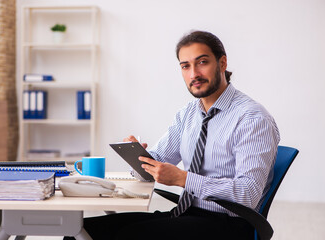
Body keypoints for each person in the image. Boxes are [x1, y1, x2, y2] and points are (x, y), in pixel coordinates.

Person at [64, 30, 280, 240]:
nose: (194, 74)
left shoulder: (252, 118)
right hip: (188, 214)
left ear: (222, 63)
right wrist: (140, 158)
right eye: (186, 66)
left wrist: (182, 178)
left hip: (230, 224)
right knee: (80, 230)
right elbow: (159, 159)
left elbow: (248, 194)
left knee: (129, 236)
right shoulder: (188, 113)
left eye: (202, 62)